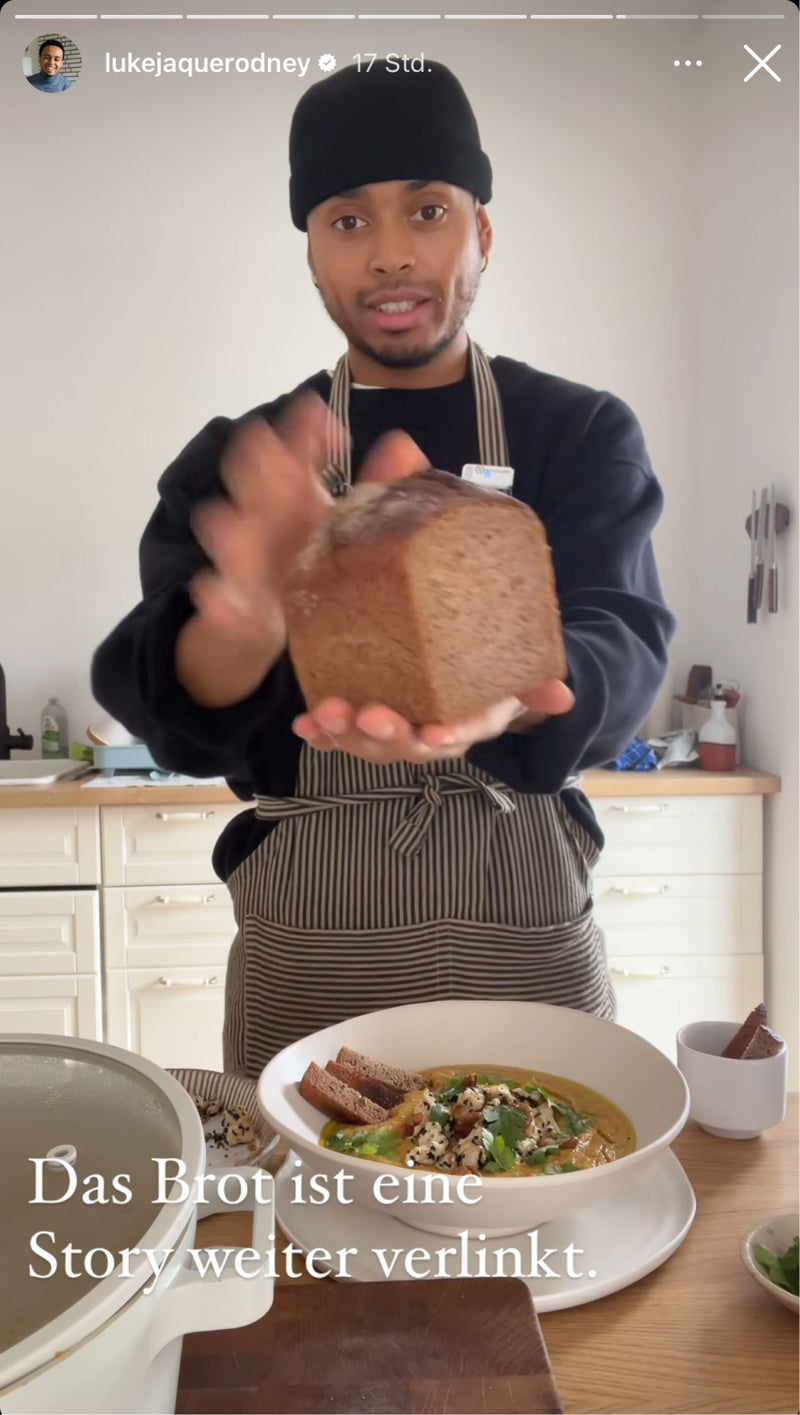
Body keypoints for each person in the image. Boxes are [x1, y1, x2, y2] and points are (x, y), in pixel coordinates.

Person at [92, 59, 676, 1080]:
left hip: (523, 922)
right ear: (311, 255)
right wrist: (244, 621)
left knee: (535, 1192)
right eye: (348, 222)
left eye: (428, 211)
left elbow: (620, 634)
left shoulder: (575, 432)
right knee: (310, 1219)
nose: (392, 256)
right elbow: (164, 692)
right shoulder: (253, 458)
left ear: (480, 232)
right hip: (307, 949)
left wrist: (510, 692)